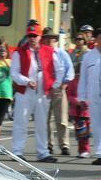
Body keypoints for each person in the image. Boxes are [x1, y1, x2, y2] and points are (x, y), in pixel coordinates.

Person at [10, 22, 62, 162]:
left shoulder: (49, 51)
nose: (32, 38)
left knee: (42, 124)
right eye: (30, 35)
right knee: (21, 122)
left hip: (42, 93)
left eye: (35, 35)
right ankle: (17, 151)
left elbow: (59, 70)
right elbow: (14, 73)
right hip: (24, 92)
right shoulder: (19, 52)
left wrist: (54, 86)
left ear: (40, 37)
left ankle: (43, 153)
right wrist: (27, 81)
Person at [41, 28, 75, 155]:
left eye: (53, 38)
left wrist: (65, 84)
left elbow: (69, 69)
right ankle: (48, 144)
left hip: (59, 88)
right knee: (46, 119)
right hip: (45, 90)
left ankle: (64, 145)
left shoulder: (61, 53)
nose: (50, 41)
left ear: (56, 40)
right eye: (47, 38)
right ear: (43, 40)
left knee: (62, 119)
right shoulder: (40, 53)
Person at [80, 29, 101, 165]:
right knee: (97, 124)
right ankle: (100, 153)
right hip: (94, 95)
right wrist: (82, 96)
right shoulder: (89, 56)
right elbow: (83, 78)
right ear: (96, 39)